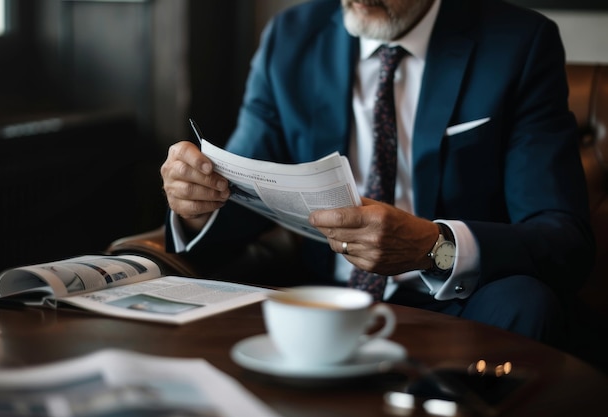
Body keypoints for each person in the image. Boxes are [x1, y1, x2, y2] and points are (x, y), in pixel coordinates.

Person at [160, 0, 595, 347]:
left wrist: (433, 247)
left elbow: (562, 237)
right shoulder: (290, 37)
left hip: (456, 299)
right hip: (317, 295)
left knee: (527, 303)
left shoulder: (519, 44)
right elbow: (242, 187)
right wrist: (196, 201)